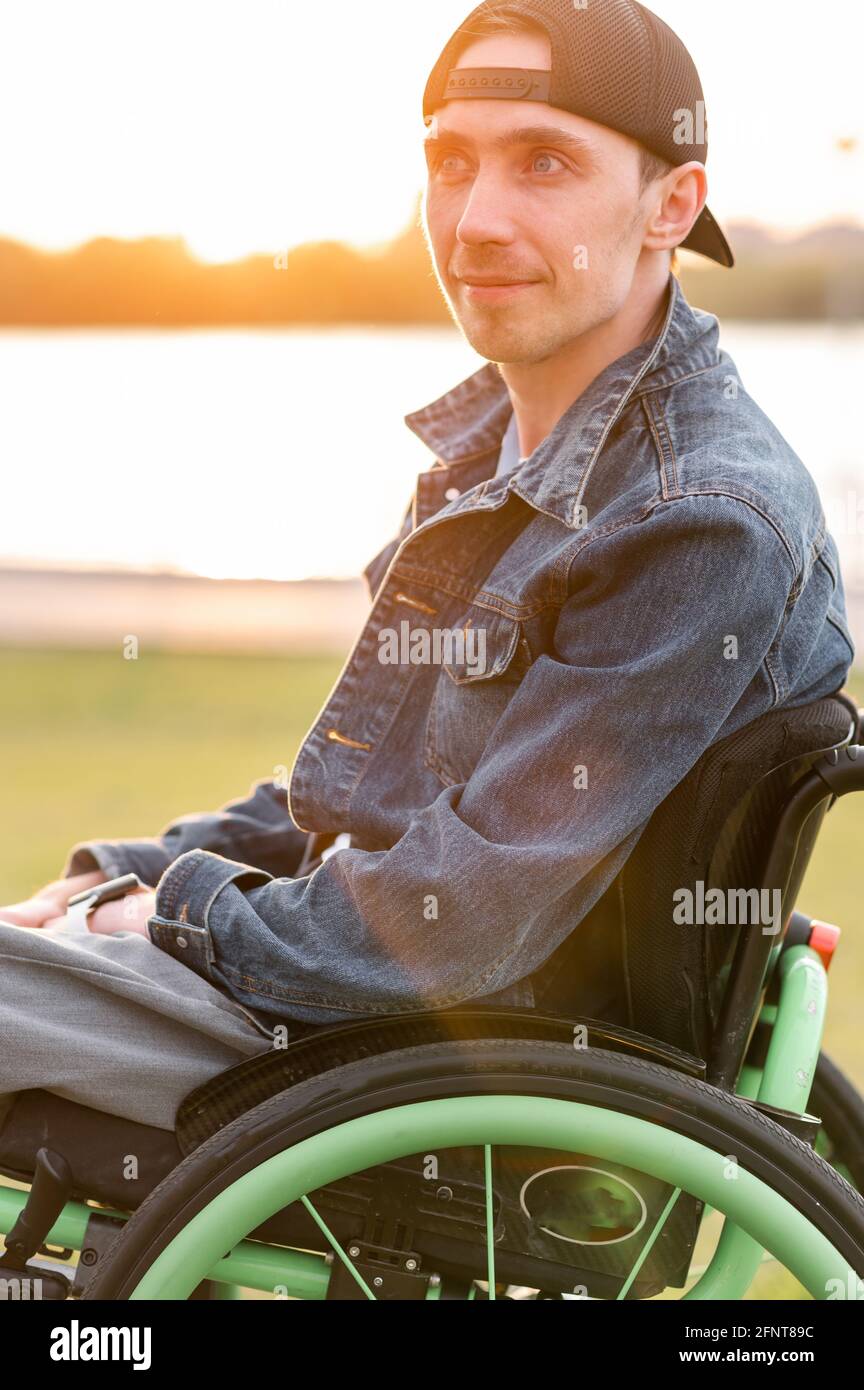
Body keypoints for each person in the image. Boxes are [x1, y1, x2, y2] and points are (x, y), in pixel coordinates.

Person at [0, 0, 856, 1134]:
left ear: (672, 205)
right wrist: (120, 872)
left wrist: (164, 910)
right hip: (344, 1013)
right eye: (451, 163)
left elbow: (448, 922)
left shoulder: (696, 521)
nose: (477, 219)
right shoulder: (498, 458)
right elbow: (361, 800)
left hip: (436, 1073)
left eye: (544, 162)